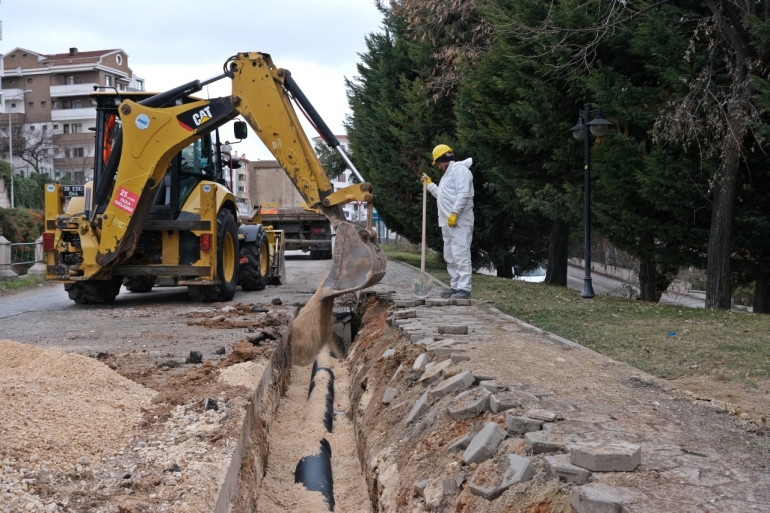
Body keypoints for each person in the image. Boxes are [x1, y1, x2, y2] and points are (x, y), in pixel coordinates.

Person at [421, 144, 474, 299]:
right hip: (447, 222)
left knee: (461, 254)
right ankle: (456, 286)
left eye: (438, 163)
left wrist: (455, 213)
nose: (438, 166)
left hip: (459, 221)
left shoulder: (460, 171)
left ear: (444, 159)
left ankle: (464, 289)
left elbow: (463, 194)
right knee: (450, 256)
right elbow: (443, 196)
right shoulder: (448, 175)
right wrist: (430, 185)